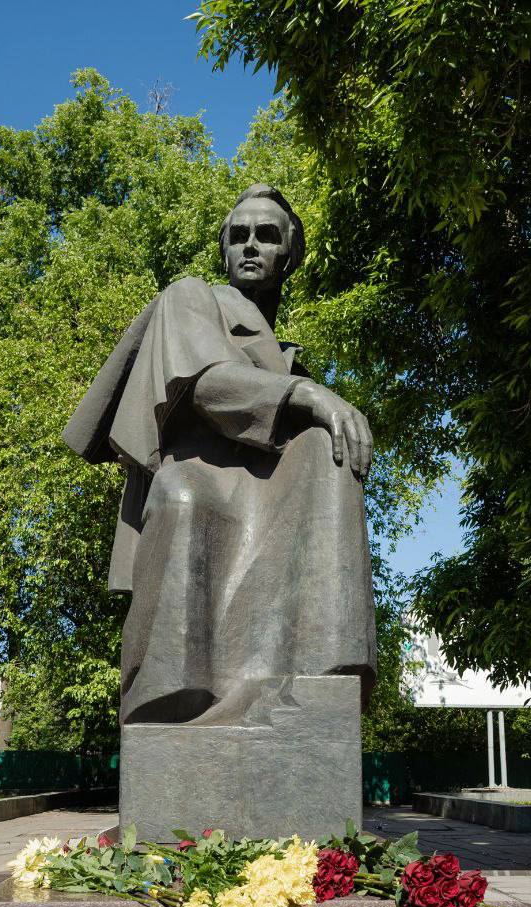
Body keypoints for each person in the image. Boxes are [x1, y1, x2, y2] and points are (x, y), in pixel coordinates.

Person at [64, 184, 376, 725]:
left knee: (329, 448)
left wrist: (309, 400)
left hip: (262, 482)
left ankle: (320, 678)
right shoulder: (191, 296)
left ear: (290, 255)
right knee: (186, 498)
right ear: (225, 249)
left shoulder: (286, 356)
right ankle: (175, 697)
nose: (250, 245)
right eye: (238, 235)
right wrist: (309, 394)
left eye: (267, 235)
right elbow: (209, 384)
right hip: (201, 475)